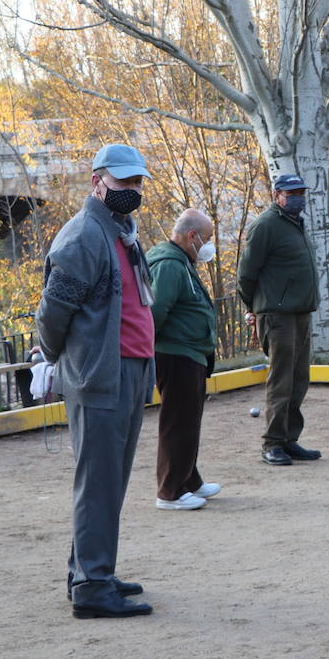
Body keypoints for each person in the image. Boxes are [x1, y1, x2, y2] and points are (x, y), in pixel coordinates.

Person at [36, 143, 157, 618]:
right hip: (100, 375)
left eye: (137, 182)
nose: (133, 190)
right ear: (97, 182)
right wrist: (58, 359)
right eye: (123, 182)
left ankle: (90, 571)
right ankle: (91, 587)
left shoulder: (119, 231)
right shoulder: (85, 235)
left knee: (109, 481)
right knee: (99, 481)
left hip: (123, 371)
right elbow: (53, 313)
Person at [238, 173, 321, 466]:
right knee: (281, 380)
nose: (297, 197)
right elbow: (246, 272)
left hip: (300, 312)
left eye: (300, 192)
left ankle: (289, 439)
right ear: (277, 195)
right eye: (291, 192)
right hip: (277, 314)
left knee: (299, 378)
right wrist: (254, 306)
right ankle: (272, 443)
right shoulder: (266, 225)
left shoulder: (295, 223)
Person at [147, 209, 221, 510]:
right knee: (178, 423)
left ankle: (189, 479)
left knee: (188, 422)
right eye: (207, 239)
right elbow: (155, 312)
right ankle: (170, 491)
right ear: (192, 236)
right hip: (176, 354)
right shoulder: (169, 265)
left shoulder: (180, 262)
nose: (208, 245)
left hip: (188, 353)